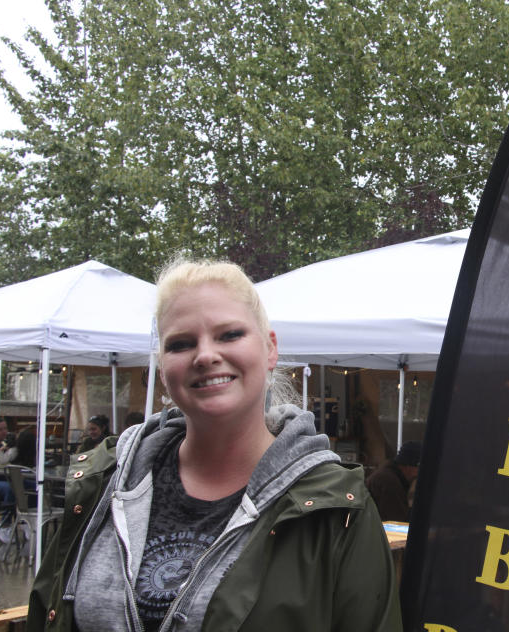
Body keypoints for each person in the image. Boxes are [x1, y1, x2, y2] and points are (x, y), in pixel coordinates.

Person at [28, 258, 401, 632]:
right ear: (163, 368)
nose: (205, 355)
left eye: (229, 335)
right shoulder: (103, 481)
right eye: (181, 343)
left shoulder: (338, 506)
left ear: (269, 349)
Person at [366, 440, 422, 522]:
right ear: (408, 466)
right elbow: (396, 520)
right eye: (419, 468)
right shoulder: (389, 482)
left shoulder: (390, 475)